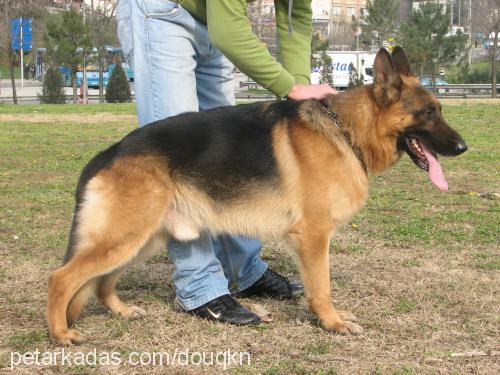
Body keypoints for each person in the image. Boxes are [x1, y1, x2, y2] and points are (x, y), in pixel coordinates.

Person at [116, 0, 336, 325]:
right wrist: (291, 87)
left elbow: (294, 16)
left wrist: (298, 88)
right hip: (161, 12)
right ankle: (199, 286)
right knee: (179, 154)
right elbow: (229, 31)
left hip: (212, 20)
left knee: (227, 148)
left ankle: (242, 269)